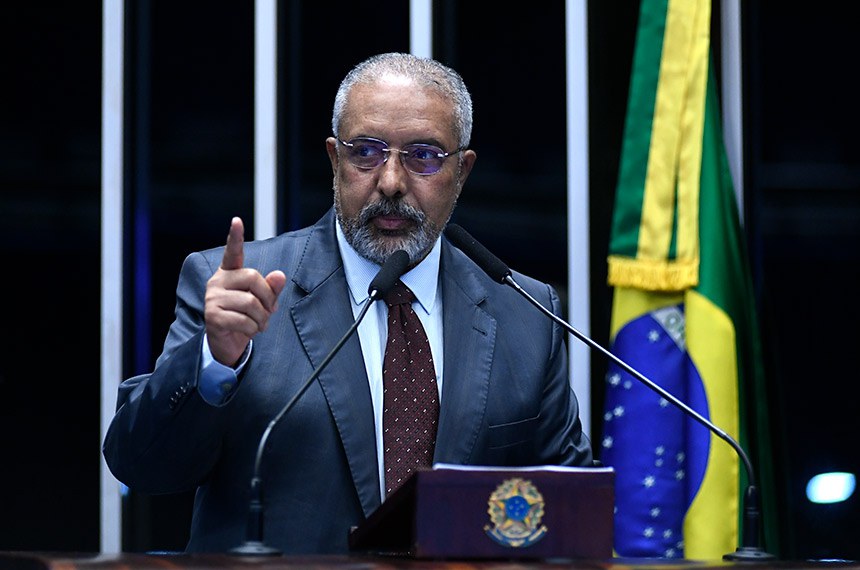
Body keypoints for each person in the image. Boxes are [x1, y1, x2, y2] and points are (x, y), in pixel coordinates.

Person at [103, 52, 593, 554]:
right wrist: (214, 362)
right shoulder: (239, 292)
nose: (391, 182)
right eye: (367, 153)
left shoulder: (527, 314)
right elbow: (143, 467)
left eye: (423, 155)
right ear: (335, 160)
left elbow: (576, 519)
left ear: (462, 171)